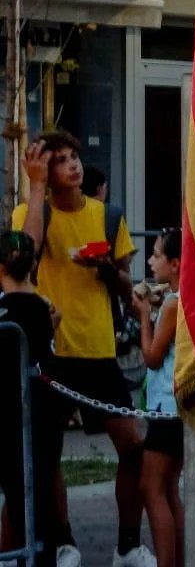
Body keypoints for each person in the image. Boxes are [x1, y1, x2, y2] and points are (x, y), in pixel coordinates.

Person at [17, 131, 153, 567]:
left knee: (132, 445)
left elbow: (127, 286)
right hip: (52, 351)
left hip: (98, 350)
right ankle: (63, 541)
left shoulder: (107, 216)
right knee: (48, 455)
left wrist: (107, 268)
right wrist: (36, 189)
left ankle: (127, 545)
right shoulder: (32, 211)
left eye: (74, 157)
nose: (73, 165)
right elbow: (25, 259)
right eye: (60, 160)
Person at [0, 232, 61, 567]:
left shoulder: (7, 310)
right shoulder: (41, 308)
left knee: (18, 495)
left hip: (12, 420)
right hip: (43, 417)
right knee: (40, 496)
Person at [131, 230, 182, 567]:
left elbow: (151, 356)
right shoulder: (181, 299)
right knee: (169, 488)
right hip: (177, 407)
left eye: (157, 255)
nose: (150, 261)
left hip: (166, 407)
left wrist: (143, 316)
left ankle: (167, 562)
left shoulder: (174, 304)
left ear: (175, 264)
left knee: (151, 487)